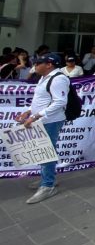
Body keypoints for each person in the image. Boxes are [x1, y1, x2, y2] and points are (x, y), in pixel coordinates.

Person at [15, 53, 68, 204]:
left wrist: (36, 116)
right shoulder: (44, 78)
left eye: (38, 63)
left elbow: (59, 102)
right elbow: (41, 100)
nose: (35, 66)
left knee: (47, 152)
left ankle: (48, 185)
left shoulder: (58, 79)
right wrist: (29, 111)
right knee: (43, 151)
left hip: (51, 121)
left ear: (49, 64)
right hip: (42, 119)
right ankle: (47, 179)